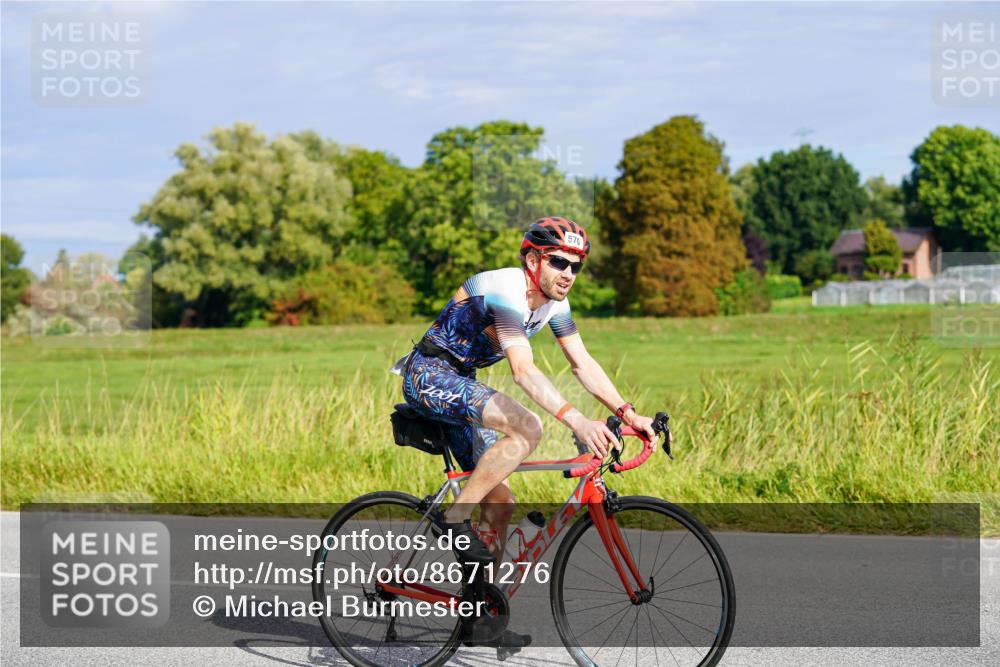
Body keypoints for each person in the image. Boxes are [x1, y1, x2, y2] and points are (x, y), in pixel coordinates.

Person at [393, 217, 660, 563]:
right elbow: (522, 370)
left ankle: (482, 608)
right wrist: (577, 421)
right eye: (559, 262)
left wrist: (628, 412)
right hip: (427, 375)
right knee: (528, 427)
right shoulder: (506, 292)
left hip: (462, 380)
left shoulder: (555, 302)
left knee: (502, 504)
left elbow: (581, 362)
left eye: (576, 267)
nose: (568, 274)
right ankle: (454, 518)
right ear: (533, 260)